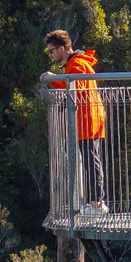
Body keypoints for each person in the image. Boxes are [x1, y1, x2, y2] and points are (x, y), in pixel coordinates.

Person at [43, 29, 107, 213]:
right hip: (89, 118)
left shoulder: (76, 64)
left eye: (51, 50)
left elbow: (75, 86)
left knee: (91, 162)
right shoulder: (76, 63)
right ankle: (96, 203)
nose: (50, 54)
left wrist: (54, 79)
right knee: (91, 160)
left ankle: (96, 204)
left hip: (88, 119)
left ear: (62, 49)